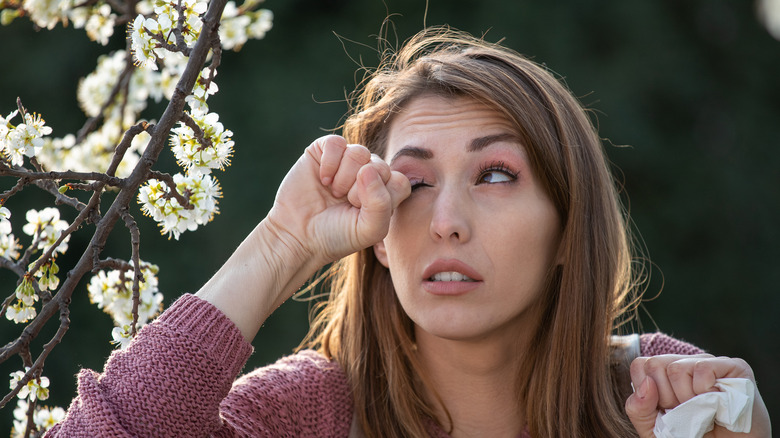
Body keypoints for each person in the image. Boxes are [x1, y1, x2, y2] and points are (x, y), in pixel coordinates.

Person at [47, 27, 770, 437]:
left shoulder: (662, 396)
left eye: (494, 175)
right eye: (414, 185)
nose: (447, 223)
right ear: (379, 237)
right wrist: (281, 241)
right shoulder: (310, 416)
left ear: (567, 226)